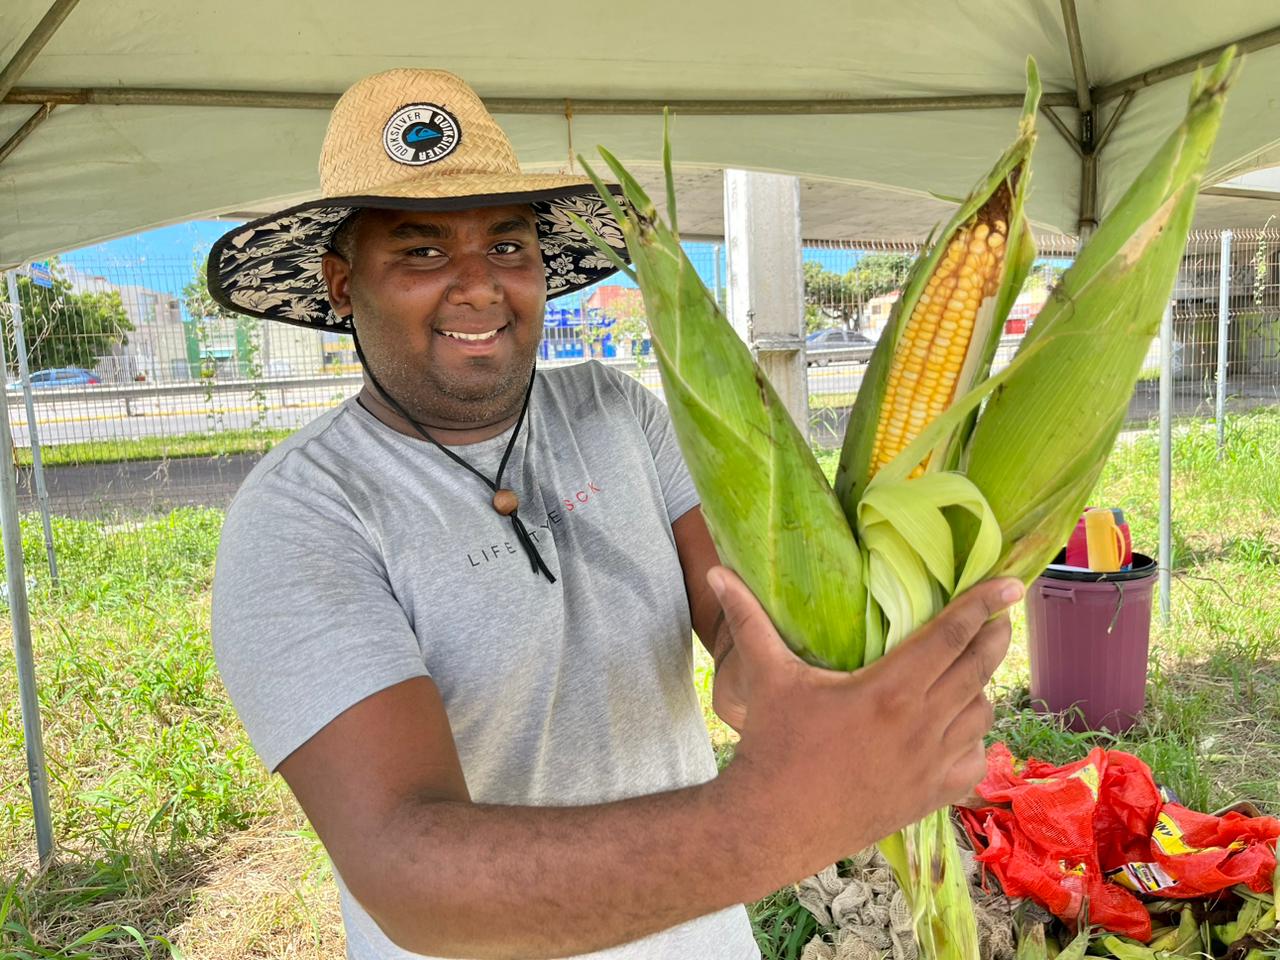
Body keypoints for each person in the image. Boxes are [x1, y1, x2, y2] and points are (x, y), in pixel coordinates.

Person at [208, 68, 1020, 960]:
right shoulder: (302, 516)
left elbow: (733, 613)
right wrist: (778, 819)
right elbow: (410, 871)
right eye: (423, 251)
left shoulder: (614, 409)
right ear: (339, 282)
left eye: (509, 248)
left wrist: (793, 679)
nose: (480, 286)